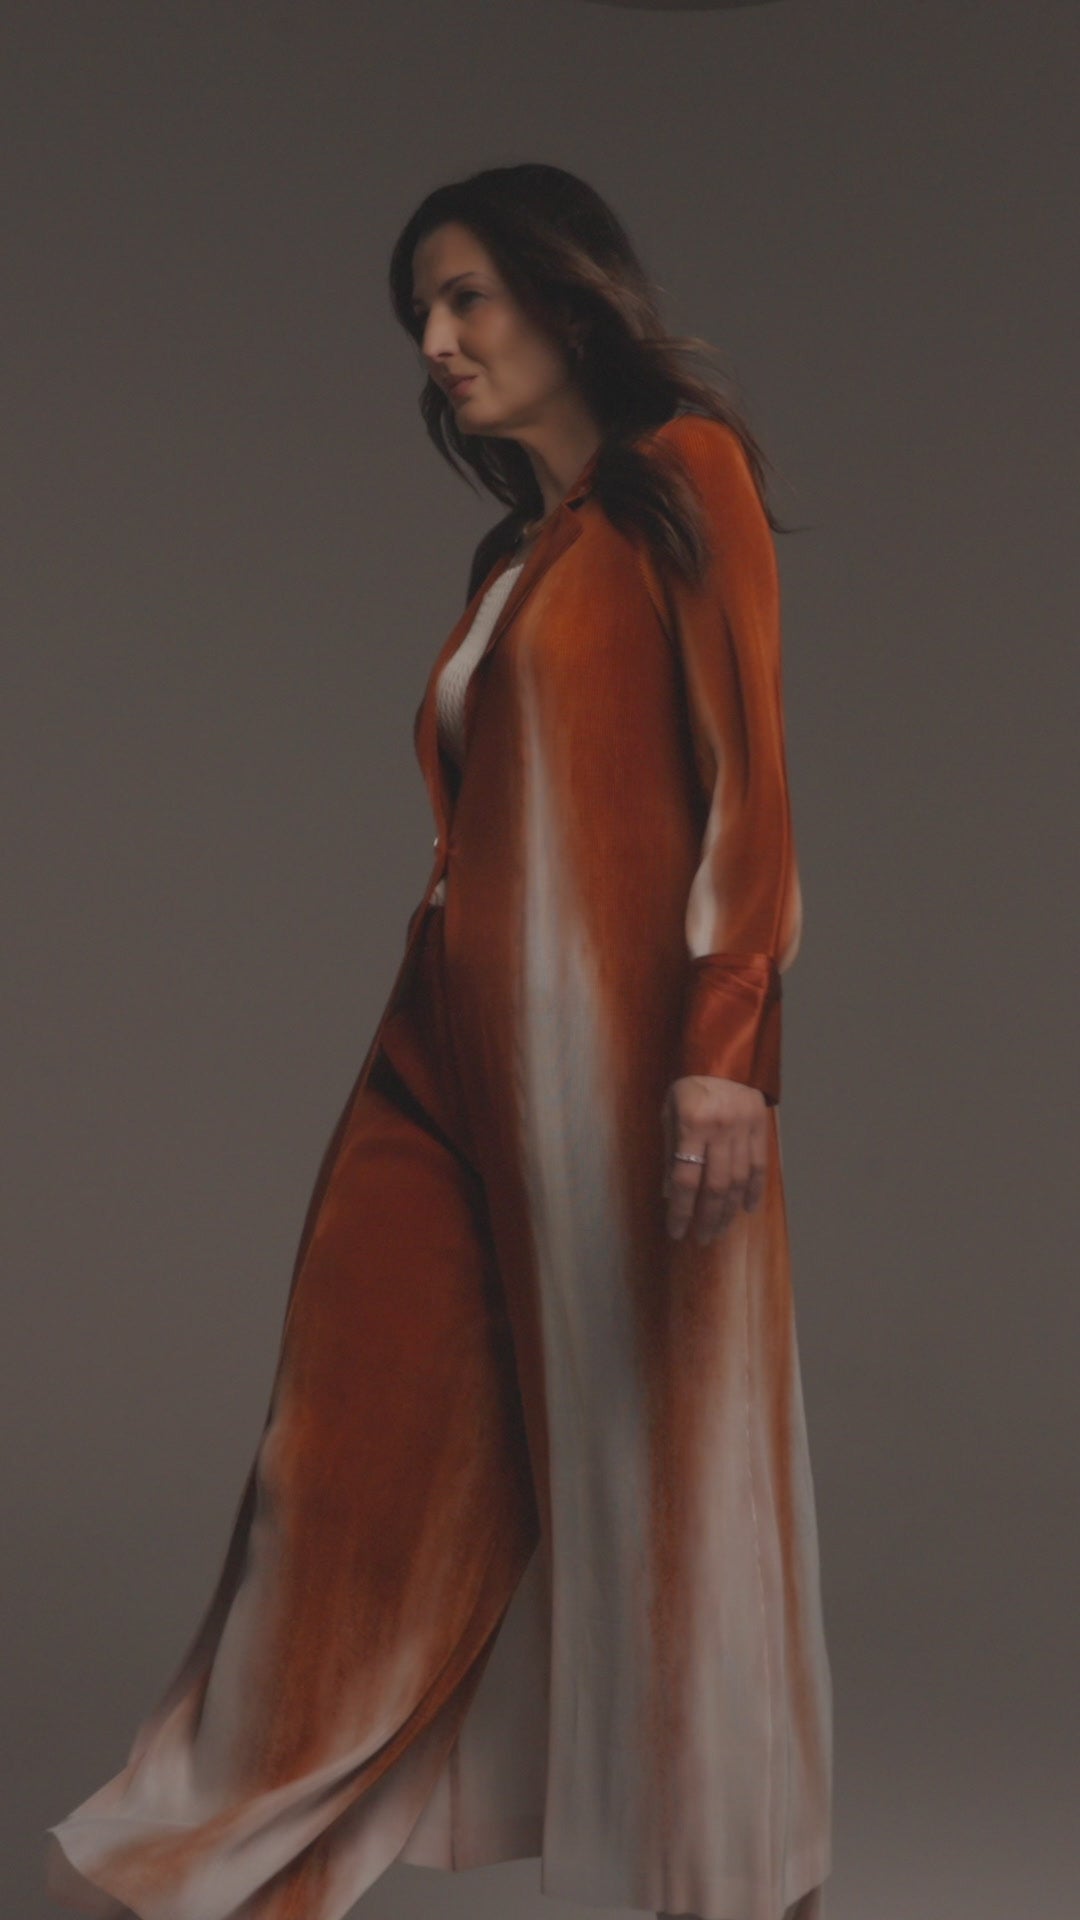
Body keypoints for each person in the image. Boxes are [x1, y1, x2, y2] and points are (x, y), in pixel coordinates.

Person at [44, 162, 832, 1920]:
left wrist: (729, 1045)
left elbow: (753, 783)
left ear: (568, 293)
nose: (438, 339)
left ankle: (728, 1887)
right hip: (439, 1066)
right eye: (423, 310)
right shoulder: (512, 559)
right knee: (339, 1467)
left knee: (666, 1471)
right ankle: (212, 1868)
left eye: (467, 294)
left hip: (632, 1079)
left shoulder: (684, 477)